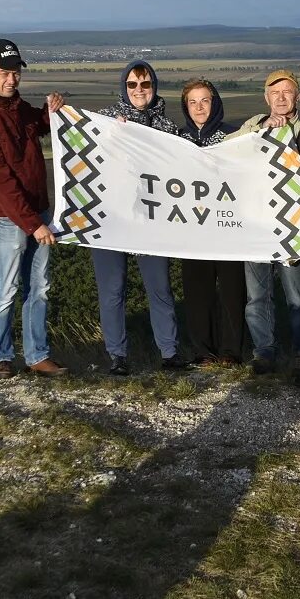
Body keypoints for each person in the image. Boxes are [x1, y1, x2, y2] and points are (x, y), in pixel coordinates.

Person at [0, 38, 67, 379]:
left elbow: (38, 124)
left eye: (16, 72)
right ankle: (0, 357)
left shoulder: (16, 107)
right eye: (4, 73)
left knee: (40, 287)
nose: (11, 79)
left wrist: (52, 113)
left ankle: (37, 356)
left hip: (37, 213)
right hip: (7, 218)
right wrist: (33, 224)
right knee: (6, 289)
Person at [91, 60, 181, 376]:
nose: (139, 90)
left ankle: (169, 354)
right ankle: (118, 355)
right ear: (123, 88)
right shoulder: (103, 121)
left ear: (154, 87)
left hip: (151, 224)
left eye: (145, 84)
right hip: (110, 221)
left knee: (159, 289)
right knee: (112, 290)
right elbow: (75, 137)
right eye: (132, 84)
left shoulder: (168, 129)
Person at [231, 69, 300, 374]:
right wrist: (258, 132)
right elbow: (224, 150)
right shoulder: (253, 125)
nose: (281, 98)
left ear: (298, 96)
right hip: (256, 226)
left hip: (292, 226)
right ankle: (264, 352)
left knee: (297, 296)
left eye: (287, 92)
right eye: (275, 92)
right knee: (256, 296)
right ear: (266, 97)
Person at [176, 78, 246, 366]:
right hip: (192, 231)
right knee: (197, 293)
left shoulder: (235, 138)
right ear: (185, 106)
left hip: (228, 228)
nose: (199, 107)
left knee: (232, 292)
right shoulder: (176, 141)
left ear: (215, 103)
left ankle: (231, 351)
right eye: (192, 102)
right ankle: (203, 351)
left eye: (205, 100)